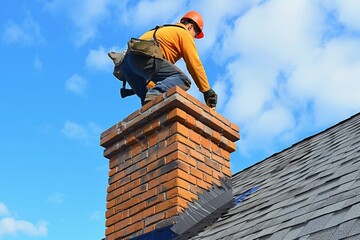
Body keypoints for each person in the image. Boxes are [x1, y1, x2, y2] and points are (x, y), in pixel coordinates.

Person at [110, 10, 217, 108]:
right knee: (182, 80)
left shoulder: (165, 31)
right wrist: (206, 91)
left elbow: (157, 77)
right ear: (190, 27)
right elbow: (194, 63)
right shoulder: (183, 33)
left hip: (127, 65)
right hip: (143, 58)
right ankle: (153, 98)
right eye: (195, 34)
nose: (193, 38)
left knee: (149, 105)